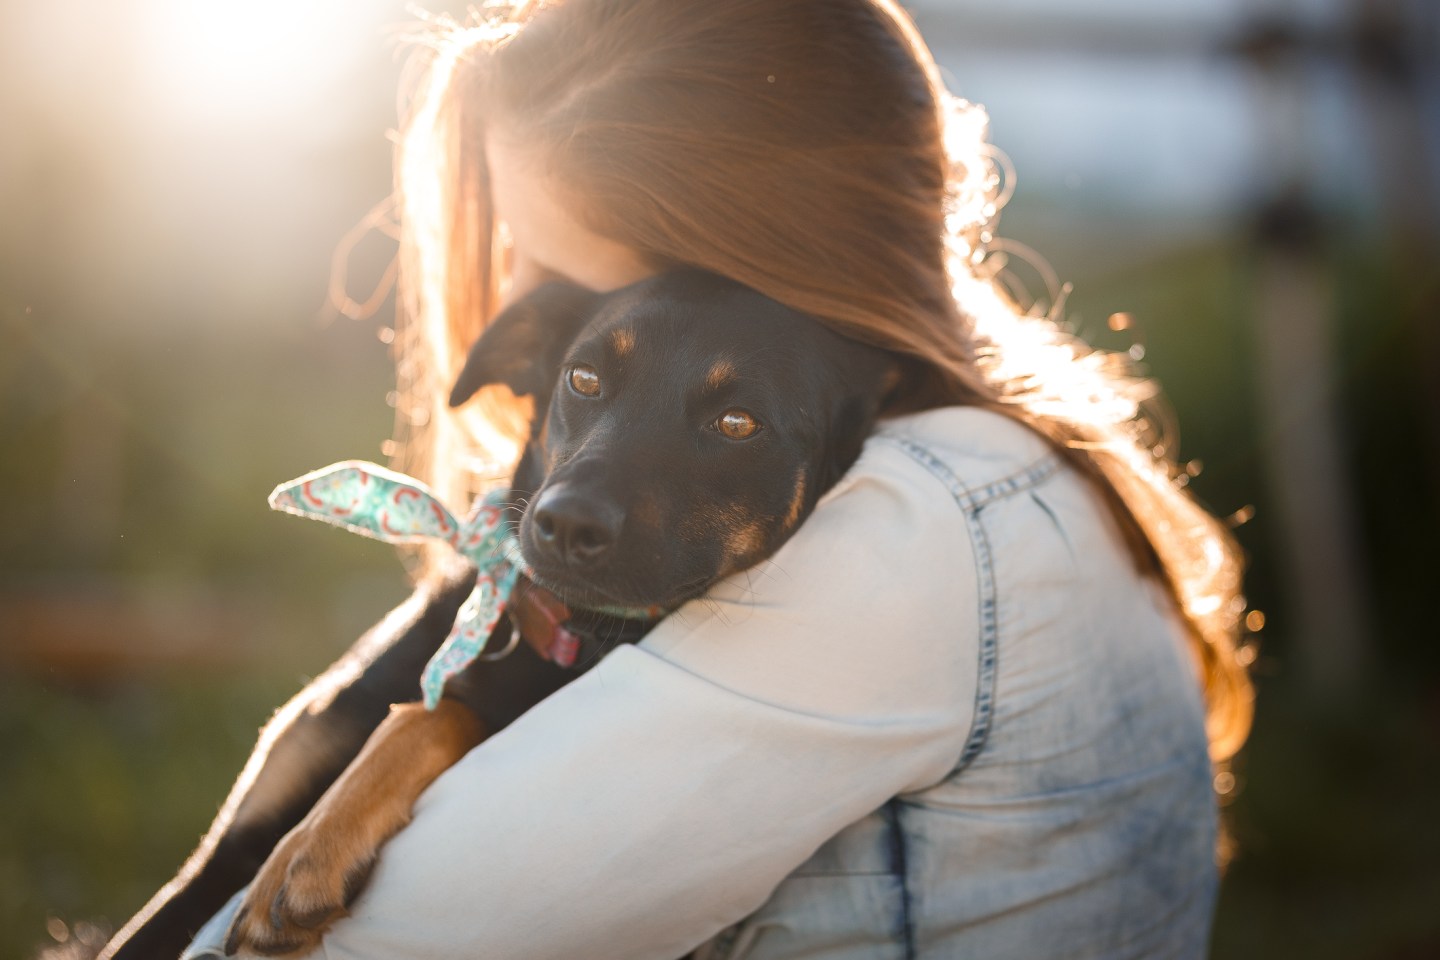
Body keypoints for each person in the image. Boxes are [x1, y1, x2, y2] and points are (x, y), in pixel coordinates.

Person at [204, 0, 1254, 956]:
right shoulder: (1003, 463)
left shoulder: (894, 547)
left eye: (559, 266)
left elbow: (374, 945)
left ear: (741, 260)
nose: (518, 300)